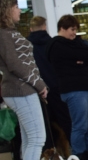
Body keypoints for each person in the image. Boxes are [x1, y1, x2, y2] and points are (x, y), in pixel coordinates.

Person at [0, 0, 55, 160]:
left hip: (23, 90)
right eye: (15, 7)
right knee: (37, 139)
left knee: (29, 140)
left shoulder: (10, 33)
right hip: (21, 91)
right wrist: (40, 84)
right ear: (6, 10)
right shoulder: (4, 35)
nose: (19, 10)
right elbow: (15, 65)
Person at [46, 15, 88, 160]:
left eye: (75, 30)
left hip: (86, 87)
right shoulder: (56, 45)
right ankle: (78, 157)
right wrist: (80, 60)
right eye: (72, 29)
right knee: (79, 125)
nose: (74, 33)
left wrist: (79, 61)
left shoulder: (75, 43)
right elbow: (80, 55)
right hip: (74, 89)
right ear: (62, 28)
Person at [26, 16, 72, 149]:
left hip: (38, 90)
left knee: (44, 124)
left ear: (30, 29)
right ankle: (72, 150)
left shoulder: (27, 46)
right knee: (65, 121)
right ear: (45, 27)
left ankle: (49, 154)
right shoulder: (54, 44)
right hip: (57, 88)